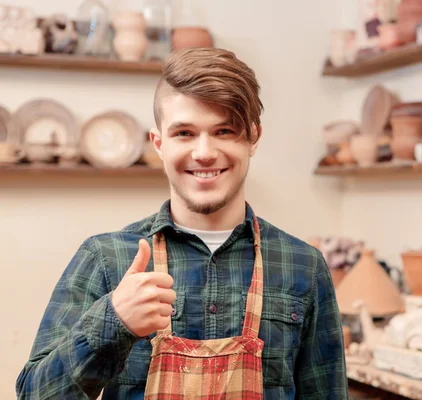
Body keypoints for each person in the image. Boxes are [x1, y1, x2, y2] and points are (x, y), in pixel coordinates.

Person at [16, 47, 348, 399]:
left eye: (224, 131)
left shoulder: (304, 266)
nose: (204, 152)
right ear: (159, 143)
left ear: (253, 137)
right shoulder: (106, 257)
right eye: (184, 133)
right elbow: (35, 394)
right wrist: (113, 321)